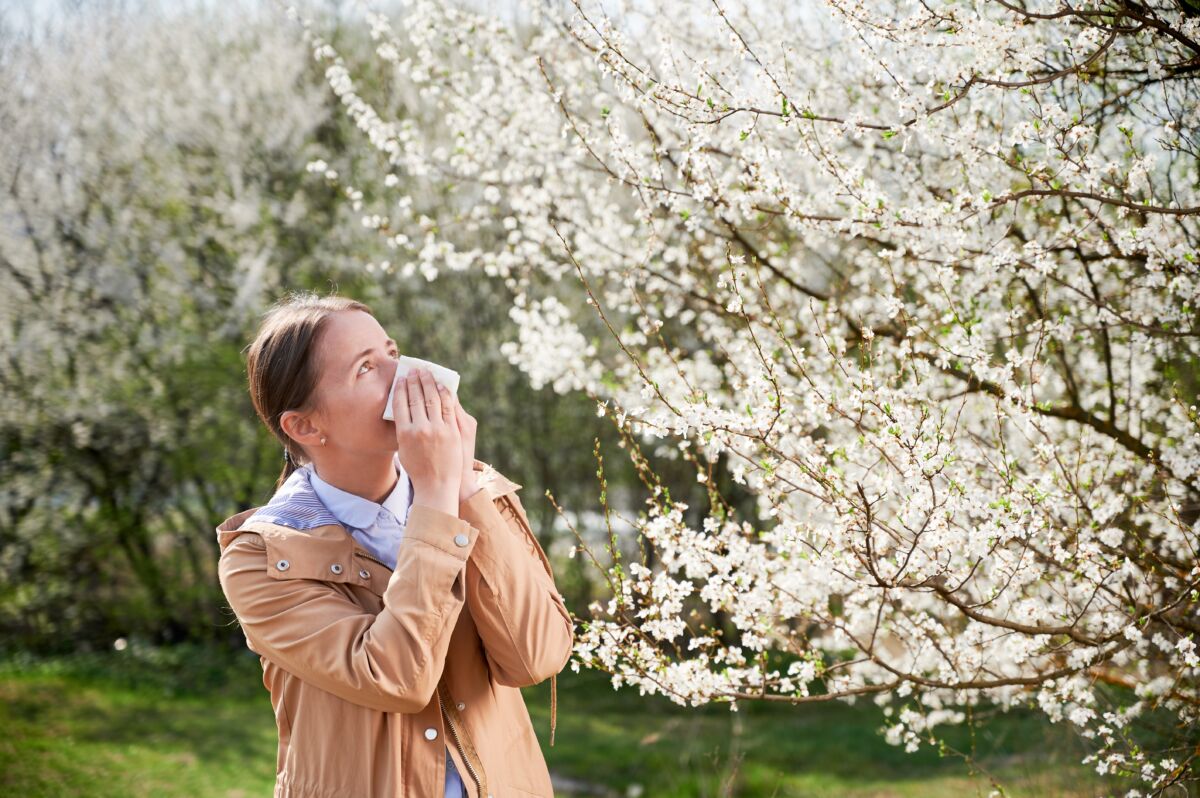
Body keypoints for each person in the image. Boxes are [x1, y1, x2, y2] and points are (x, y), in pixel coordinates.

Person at [214, 291, 574, 798]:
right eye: (366, 368)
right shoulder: (261, 559)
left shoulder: (473, 492)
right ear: (305, 425)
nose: (406, 376)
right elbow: (395, 678)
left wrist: (463, 490)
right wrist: (435, 498)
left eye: (392, 352)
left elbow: (536, 656)